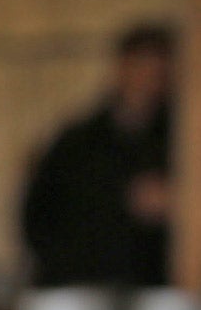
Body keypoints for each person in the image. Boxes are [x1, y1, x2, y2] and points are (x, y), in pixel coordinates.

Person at [21, 24, 176, 287]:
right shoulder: (76, 143)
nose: (150, 80)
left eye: (159, 72)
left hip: (151, 289)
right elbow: (37, 219)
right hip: (81, 289)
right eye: (143, 68)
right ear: (122, 68)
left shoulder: (180, 143)